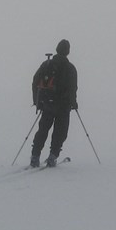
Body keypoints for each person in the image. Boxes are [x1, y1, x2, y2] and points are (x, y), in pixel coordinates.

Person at [30, 39, 78, 167]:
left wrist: (37, 101)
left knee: (43, 130)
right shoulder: (70, 68)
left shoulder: (46, 65)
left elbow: (35, 81)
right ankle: (53, 156)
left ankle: (35, 156)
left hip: (47, 104)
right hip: (63, 106)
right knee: (60, 132)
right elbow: (73, 88)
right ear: (67, 51)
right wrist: (74, 103)